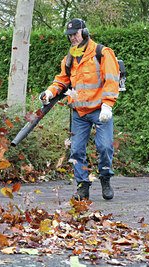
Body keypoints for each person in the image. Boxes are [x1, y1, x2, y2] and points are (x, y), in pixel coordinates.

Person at [40, 18, 120, 201]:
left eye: (75, 34)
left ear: (84, 32)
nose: (72, 38)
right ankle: (82, 186)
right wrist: (50, 92)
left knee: (105, 147)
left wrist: (108, 105)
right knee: (76, 151)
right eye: (69, 35)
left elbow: (111, 80)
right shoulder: (69, 58)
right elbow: (61, 81)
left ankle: (105, 179)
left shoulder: (102, 53)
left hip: (101, 111)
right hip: (79, 113)